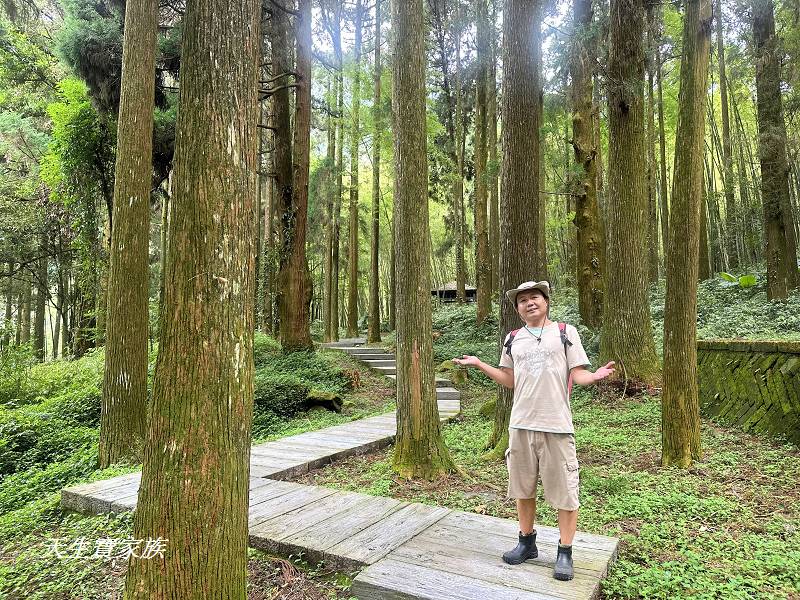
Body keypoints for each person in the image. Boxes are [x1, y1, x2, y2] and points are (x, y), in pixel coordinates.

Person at [453, 280, 615, 581]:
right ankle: (526, 542)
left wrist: (594, 376)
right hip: (520, 424)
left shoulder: (566, 333)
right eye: (523, 300)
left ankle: (565, 552)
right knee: (522, 487)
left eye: (535, 297)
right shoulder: (513, 338)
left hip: (557, 425)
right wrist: (478, 363)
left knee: (566, 491)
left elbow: (577, 373)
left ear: (546, 301)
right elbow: (510, 379)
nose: (529, 303)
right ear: (517, 309)